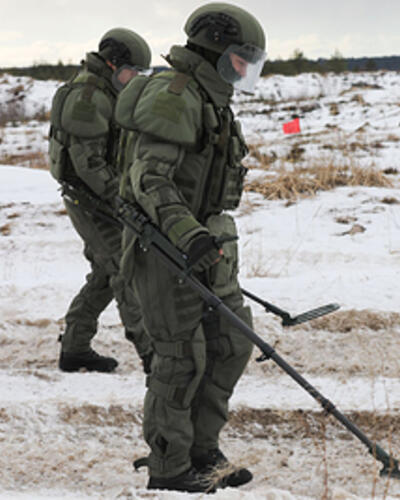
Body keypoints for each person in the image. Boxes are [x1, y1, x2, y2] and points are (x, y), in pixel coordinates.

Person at [114, 2, 266, 492]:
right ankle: (170, 466)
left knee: (231, 344)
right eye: (241, 59)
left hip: (202, 245)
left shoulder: (210, 98)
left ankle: (202, 450)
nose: (245, 70)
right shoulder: (173, 95)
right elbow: (149, 178)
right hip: (162, 247)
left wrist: (202, 238)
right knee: (181, 358)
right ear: (216, 52)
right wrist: (188, 234)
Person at [47, 28, 154, 373]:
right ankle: (155, 358)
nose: (134, 80)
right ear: (112, 63)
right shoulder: (88, 95)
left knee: (106, 273)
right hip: (88, 200)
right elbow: (88, 163)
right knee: (123, 271)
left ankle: (75, 348)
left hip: (100, 196)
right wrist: (121, 199)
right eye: (131, 73)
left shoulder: (105, 89)